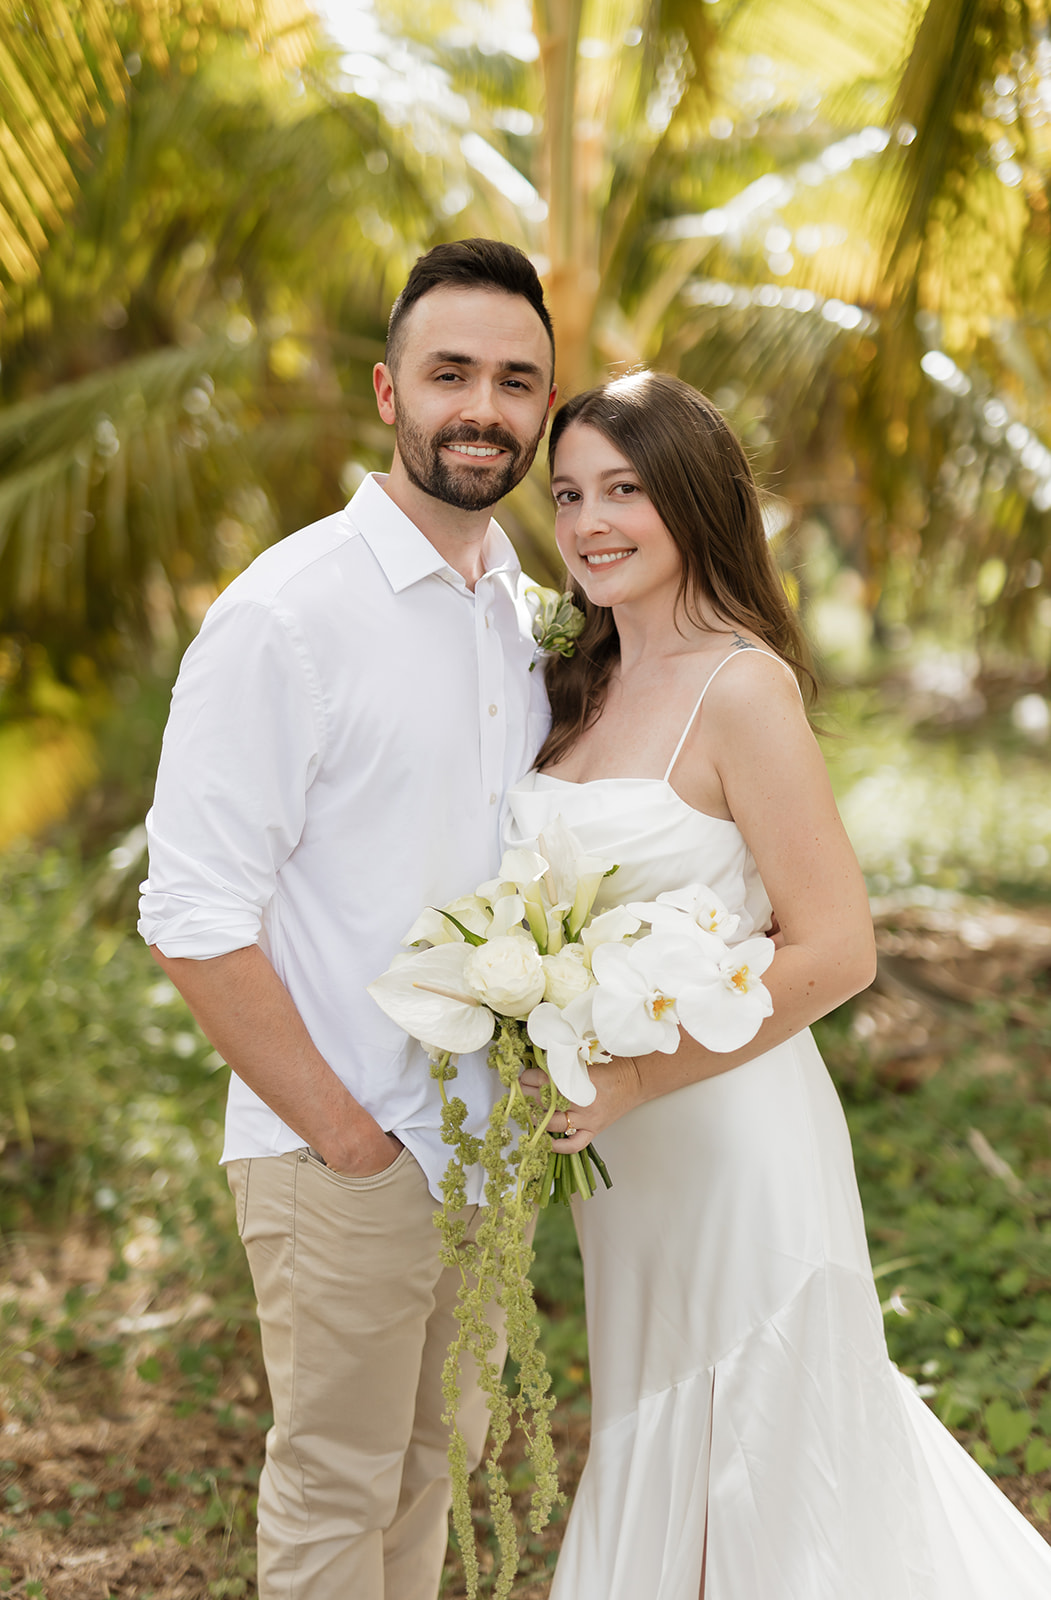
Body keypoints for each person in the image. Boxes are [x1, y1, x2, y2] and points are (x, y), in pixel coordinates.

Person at [505, 370, 1051, 1598]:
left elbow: (834, 949)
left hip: (726, 1128)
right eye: (570, 493)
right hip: (623, 1158)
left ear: (694, 500)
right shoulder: (570, 685)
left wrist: (634, 1075)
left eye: (625, 490)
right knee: (658, 1413)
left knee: (765, 1441)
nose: (589, 521)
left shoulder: (740, 687)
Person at [137, 238, 556, 1600]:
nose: (480, 407)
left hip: (483, 1157)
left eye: (514, 379)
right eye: (450, 374)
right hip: (348, 1155)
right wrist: (346, 1140)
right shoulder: (284, 616)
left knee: (428, 1475)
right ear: (388, 390)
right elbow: (191, 918)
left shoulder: (523, 616)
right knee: (333, 1493)